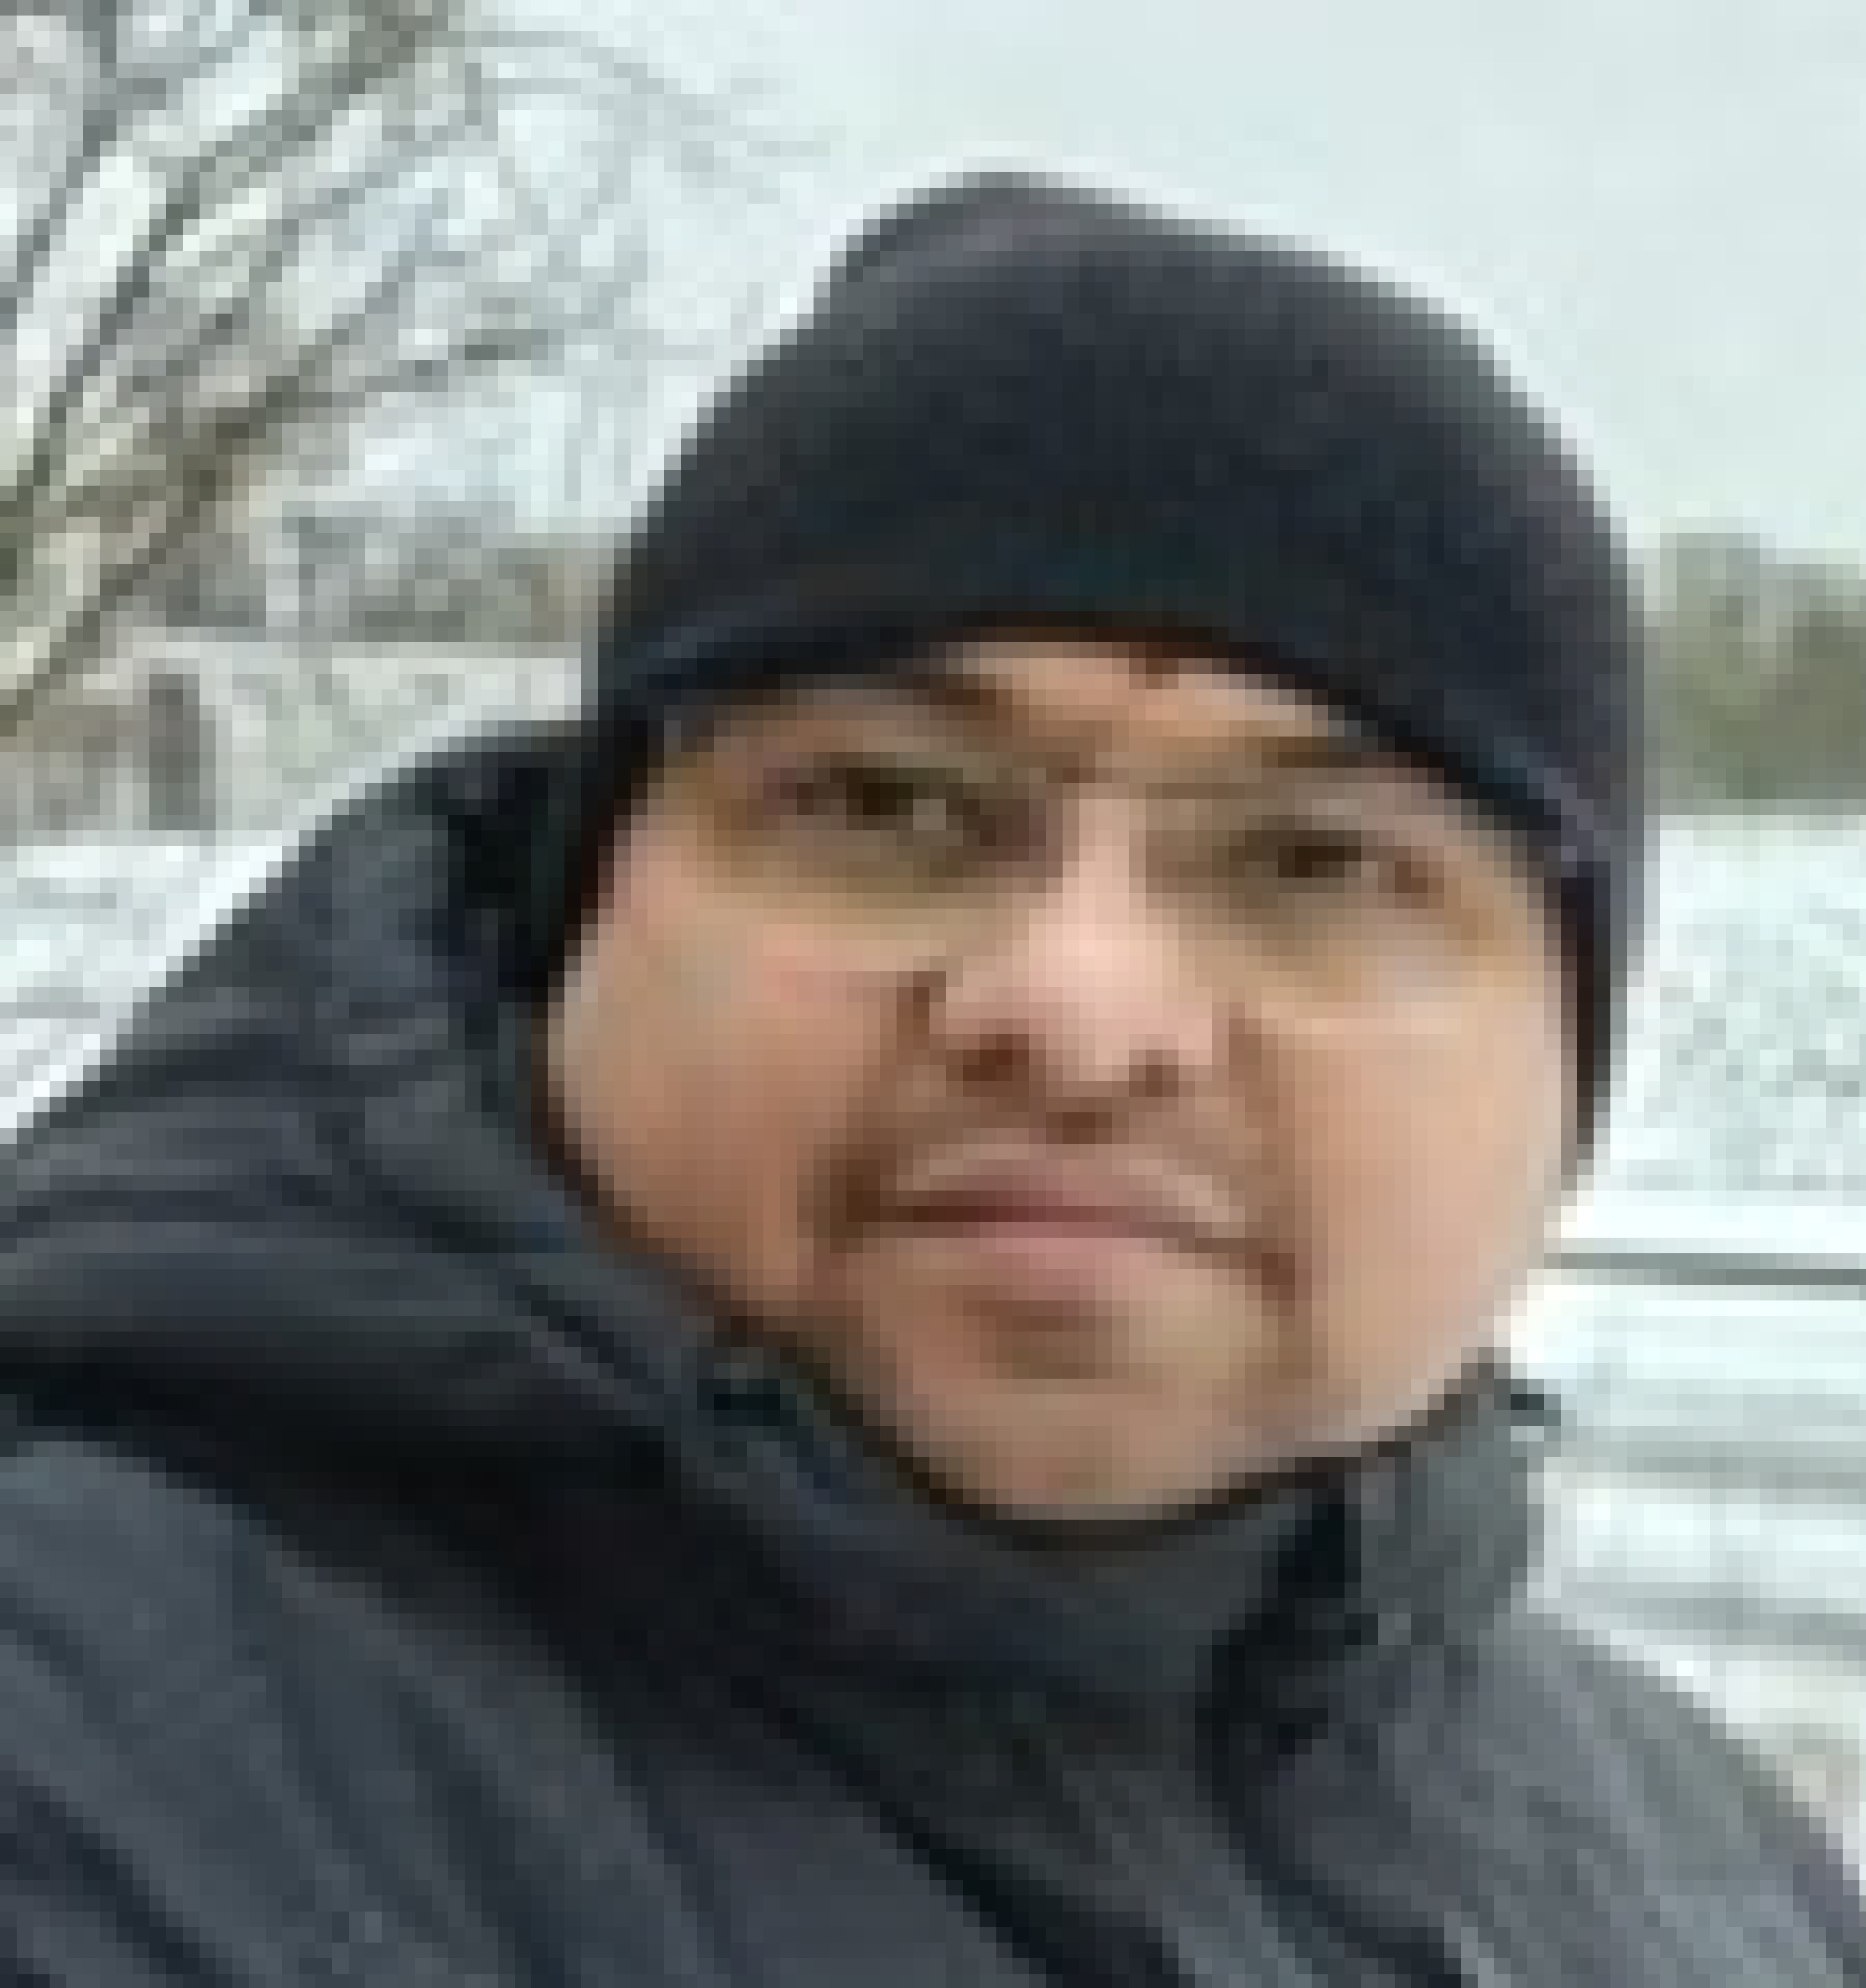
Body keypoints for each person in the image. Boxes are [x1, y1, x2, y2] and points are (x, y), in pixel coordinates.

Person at [0, 169, 1859, 1987]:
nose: (1077, 1009)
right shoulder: (96, 1773)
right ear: (584, 921)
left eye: (1316, 862)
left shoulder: (1700, 1869)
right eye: (886, 805)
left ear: (1567, 1056)